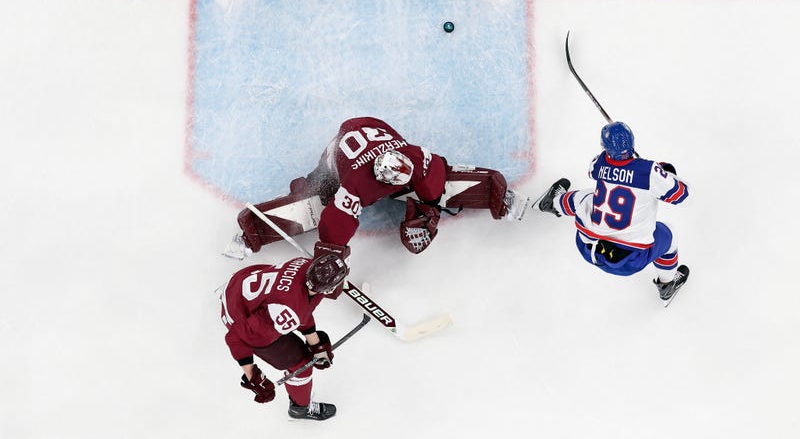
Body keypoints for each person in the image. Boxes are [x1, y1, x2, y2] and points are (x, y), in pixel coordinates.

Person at [226, 116, 529, 261]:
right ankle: (251, 233)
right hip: (338, 156)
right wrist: (331, 253)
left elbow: (434, 175)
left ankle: (498, 196)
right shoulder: (357, 184)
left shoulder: (413, 156)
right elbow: (338, 220)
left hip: (372, 126)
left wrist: (426, 206)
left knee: (437, 182)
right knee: (318, 197)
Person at [538, 121, 690, 301]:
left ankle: (554, 203)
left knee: (587, 198)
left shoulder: (600, 162)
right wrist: (664, 173)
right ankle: (667, 285)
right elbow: (682, 194)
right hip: (629, 261)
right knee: (670, 235)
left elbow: (592, 171)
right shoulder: (649, 172)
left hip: (588, 247)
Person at [219, 252, 349, 420]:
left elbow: (299, 304)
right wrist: (253, 378)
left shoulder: (303, 263)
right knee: (301, 362)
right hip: (238, 313)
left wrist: (316, 344)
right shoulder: (289, 310)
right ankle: (300, 408)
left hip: (239, 284)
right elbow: (236, 337)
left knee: (287, 311)